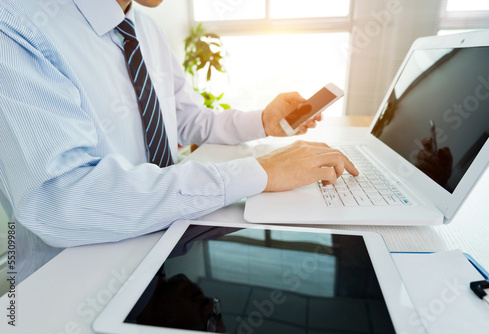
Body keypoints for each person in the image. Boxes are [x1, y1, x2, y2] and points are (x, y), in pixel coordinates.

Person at [0, 0, 358, 282]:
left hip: (167, 245)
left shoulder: (146, 29)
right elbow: (62, 198)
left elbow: (189, 119)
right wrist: (259, 171)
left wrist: (263, 121)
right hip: (72, 278)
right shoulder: (17, 24)